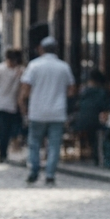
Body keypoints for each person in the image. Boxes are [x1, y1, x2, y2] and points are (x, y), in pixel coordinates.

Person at [20, 37, 76, 185]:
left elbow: (25, 89)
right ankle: (50, 174)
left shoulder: (34, 66)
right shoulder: (63, 67)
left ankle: (34, 171)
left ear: (41, 49)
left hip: (37, 111)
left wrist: (23, 105)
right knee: (54, 144)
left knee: (34, 143)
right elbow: (71, 90)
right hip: (57, 112)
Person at [0, 49, 25, 164]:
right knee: (4, 130)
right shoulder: (20, 70)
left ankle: (0, 151)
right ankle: (1, 153)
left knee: (2, 130)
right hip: (7, 105)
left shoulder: (0, 68)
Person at [75, 69, 110, 162]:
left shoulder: (84, 92)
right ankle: (99, 155)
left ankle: (92, 153)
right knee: (101, 131)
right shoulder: (101, 92)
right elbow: (105, 107)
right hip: (95, 121)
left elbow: (78, 105)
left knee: (92, 134)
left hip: (80, 120)